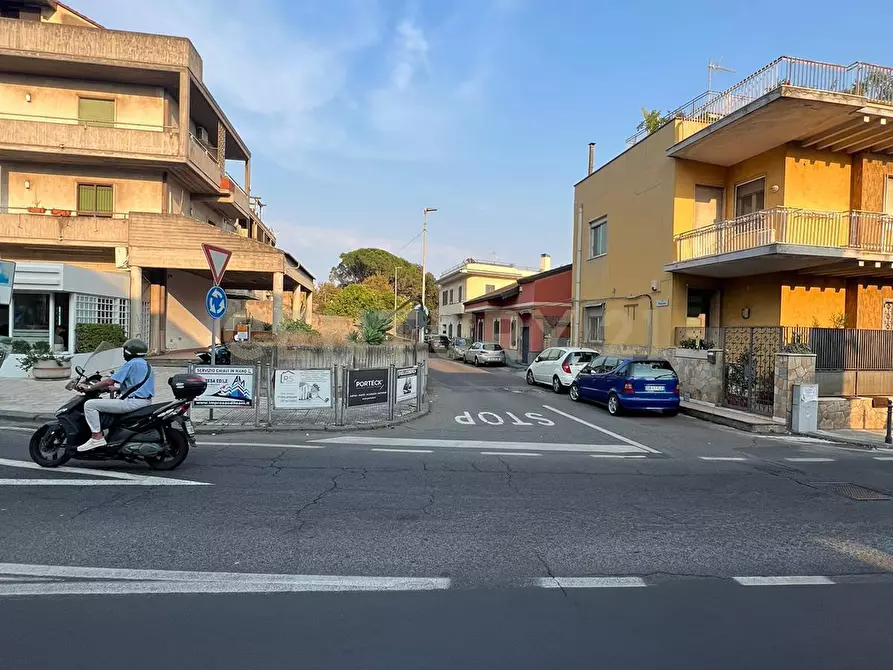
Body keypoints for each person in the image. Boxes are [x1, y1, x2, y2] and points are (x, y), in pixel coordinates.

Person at [77, 338, 155, 452]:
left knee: (90, 405)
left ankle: (97, 437)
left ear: (128, 352)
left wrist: (89, 387)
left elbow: (110, 381)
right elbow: (135, 384)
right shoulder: (146, 365)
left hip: (132, 402)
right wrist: (114, 389)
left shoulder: (131, 364)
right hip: (144, 401)